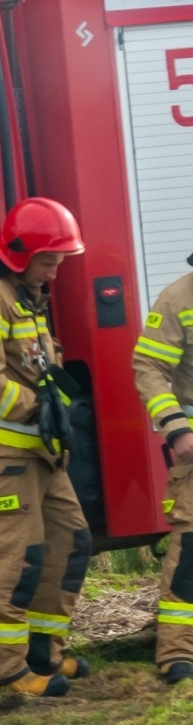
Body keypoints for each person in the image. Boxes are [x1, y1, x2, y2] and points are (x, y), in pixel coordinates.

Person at [0, 197, 92, 697]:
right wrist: (38, 408)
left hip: (42, 453)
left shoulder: (26, 295)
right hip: (9, 453)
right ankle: (0, 670)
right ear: (20, 254)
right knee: (18, 556)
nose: (56, 271)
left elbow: (37, 367)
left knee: (69, 543)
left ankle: (43, 653)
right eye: (49, 260)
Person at [130, 264, 193, 683]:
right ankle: (177, 654)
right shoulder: (178, 299)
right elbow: (149, 367)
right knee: (191, 550)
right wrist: (177, 428)